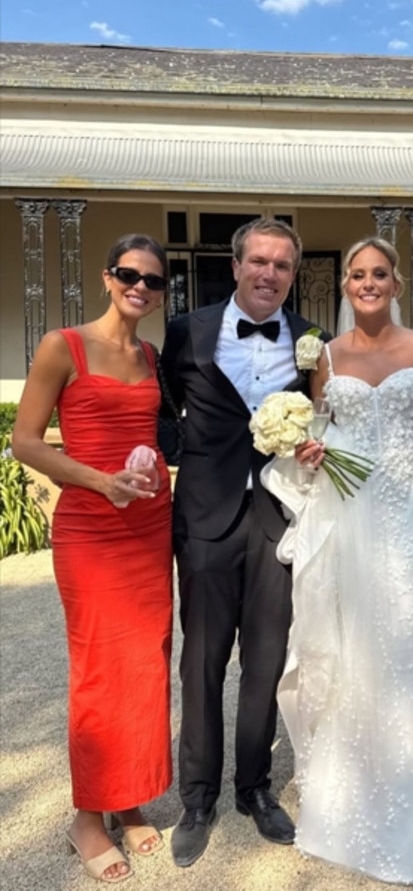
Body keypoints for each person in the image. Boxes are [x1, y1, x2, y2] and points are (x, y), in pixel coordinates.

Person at [264, 237, 413, 884]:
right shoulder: (324, 356)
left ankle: (410, 797)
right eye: (357, 274)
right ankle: (348, 796)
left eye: (380, 273)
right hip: (347, 516)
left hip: (407, 520)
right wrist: (309, 450)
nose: (368, 283)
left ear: (397, 283)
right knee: (350, 648)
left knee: (403, 649)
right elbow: (320, 433)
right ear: (345, 285)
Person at [159, 217, 328, 868]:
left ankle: (253, 787)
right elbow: (163, 402)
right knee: (201, 663)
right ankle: (198, 795)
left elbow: (324, 417)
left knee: (265, 662)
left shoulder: (312, 340)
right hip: (204, 520)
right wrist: (182, 457)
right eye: (258, 261)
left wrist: (316, 450)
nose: (269, 274)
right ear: (235, 266)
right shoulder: (187, 330)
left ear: (292, 273)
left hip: (279, 520)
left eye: (282, 265)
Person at [12, 235, 174, 884]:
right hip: (90, 528)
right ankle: (87, 815)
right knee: (100, 669)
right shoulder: (64, 346)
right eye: (130, 274)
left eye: (154, 281)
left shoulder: (153, 355)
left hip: (148, 527)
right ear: (108, 277)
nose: (141, 286)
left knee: (146, 662)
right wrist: (99, 481)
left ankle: (127, 796)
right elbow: (25, 442)